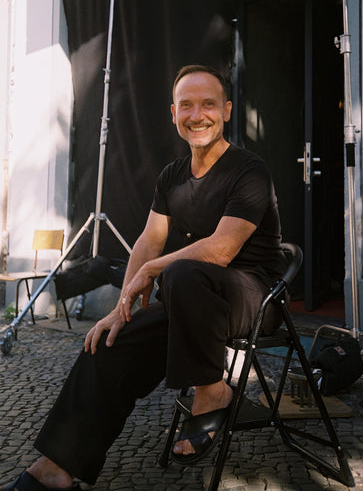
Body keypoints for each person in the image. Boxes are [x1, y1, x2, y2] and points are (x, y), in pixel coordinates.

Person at [1, 64, 287, 491]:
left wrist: (155, 270)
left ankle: (213, 392)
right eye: (186, 105)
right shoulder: (172, 176)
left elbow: (223, 249)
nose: (197, 114)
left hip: (252, 299)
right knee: (107, 346)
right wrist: (121, 311)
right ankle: (55, 471)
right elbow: (149, 242)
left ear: (226, 110)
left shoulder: (249, 170)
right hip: (191, 302)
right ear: (173, 113)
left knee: (183, 272)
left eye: (208, 103)